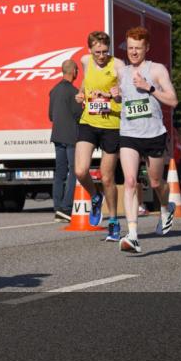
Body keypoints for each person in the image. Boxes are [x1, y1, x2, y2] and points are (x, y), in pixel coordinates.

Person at [115, 27, 179, 254]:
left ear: (147, 48)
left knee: (155, 183)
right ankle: (132, 235)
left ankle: (166, 206)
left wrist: (149, 87)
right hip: (129, 134)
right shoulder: (122, 72)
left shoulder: (157, 70)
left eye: (138, 48)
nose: (133, 52)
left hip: (153, 134)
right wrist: (116, 95)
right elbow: (125, 98)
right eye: (130, 48)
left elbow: (173, 100)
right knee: (130, 181)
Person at [73, 30, 125, 242]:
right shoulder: (85, 61)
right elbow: (85, 82)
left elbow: (127, 91)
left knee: (107, 177)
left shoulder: (118, 65)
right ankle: (95, 196)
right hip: (89, 122)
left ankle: (113, 221)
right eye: (97, 52)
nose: (101, 56)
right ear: (90, 50)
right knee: (80, 170)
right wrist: (81, 93)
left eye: (105, 51)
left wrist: (117, 94)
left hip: (112, 124)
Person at [48, 59, 81, 222]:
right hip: (71, 137)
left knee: (60, 172)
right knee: (74, 172)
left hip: (57, 136)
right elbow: (78, 115)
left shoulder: (53, 90)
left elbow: (50, 116)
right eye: (77, 70)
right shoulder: (73, 92)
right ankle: (67, 208)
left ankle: (57, 207)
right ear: (74, 71)